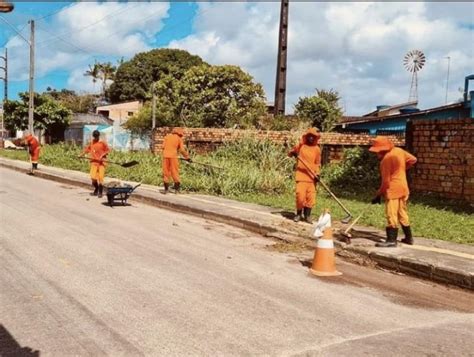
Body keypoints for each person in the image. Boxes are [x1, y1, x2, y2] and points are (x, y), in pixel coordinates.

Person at [369, 136, 417, 247]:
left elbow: (386, 183)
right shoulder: (399, 151)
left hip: (393, 190)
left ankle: (391, 240)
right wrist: (401, 169)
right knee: (402, 212)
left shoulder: (385, 160)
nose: (377, 155)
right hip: (403, 187)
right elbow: (413, 160)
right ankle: (409, 238)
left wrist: (378, 194)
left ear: (382, 150)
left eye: (377, 152)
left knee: (391, 214)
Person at [288, 128, 322, 223]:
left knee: (311, 198)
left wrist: (318, 174)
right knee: (300, 196)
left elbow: (317, 164)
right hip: (301, 176)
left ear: (315, 138)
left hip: (312, 177)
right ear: (306, 137)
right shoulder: (301, 146)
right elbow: (290, 153)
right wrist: (294, 153)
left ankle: (307, 216)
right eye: (309, 136)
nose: (311, 138)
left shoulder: (317, 149)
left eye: (313, 137)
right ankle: (298, 214)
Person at [79, 130, 110, 198]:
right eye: (94, 137)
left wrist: (103, 155)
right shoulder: (92, 143)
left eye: (97, 137)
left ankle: (100, 192)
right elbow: (87, 150)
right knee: (93, 178)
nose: (95, 138)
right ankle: (96, 188)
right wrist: (81, 155)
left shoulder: (102, 143)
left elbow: (108, 150)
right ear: (93, 136)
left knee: (101, 178)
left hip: (102, 163)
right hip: (94, 162)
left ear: (98, 136)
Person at [162, 127, 191, 194]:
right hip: (173, 156)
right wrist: (187, 157)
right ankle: (177, 190)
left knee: (166, 172)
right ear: (180, 133)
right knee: (174, 171)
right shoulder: (179, 138)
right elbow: (182, 150)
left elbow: (163, 147)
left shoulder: (167, 137)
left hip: (165, 156)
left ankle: (166, 190)